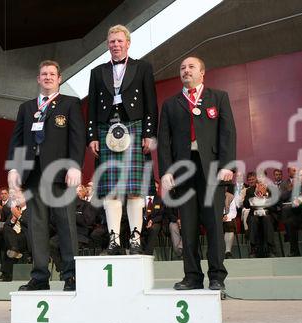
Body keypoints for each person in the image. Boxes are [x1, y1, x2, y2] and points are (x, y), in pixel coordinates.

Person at [158, 56, 236, 291]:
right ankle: (192, 276)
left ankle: (217, 276)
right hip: (183, 170)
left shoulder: (218, 97)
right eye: (182, 68)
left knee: (213, 224)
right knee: (188, 225)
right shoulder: (171, 104)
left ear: (203, 72)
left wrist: (227, 165)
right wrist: (165, 172)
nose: (186, 71)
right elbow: (163, 142)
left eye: (191, 67)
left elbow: (228, 133)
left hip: (212, 168)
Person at [7, 60, 86, 291]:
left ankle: (71, 275)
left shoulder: (70, 104)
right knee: (37, 228)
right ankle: (40, 277)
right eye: (44, 74)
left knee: (66, 225)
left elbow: (77, 138)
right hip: (33, 175)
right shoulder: (27, 107)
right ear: (38, 79)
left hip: (61, 174)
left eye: (52, 74)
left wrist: (75, 166)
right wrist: (14, 168)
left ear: (59, 78)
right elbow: (17, 140)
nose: (48, 77)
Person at [87, 24, 158, 255]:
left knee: (135, 189)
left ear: (128, 43)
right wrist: (92, 136)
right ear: (108, 45)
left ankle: (136, 238)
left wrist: (149, 133)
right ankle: (114, 239)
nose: (115, 45)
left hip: (135, 128)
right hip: (107, 130)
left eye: (119, 41)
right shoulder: (97, 72)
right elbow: (92, 109)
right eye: (112, 42)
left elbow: (150, 103)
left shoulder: (143, 67)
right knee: (112, 190)